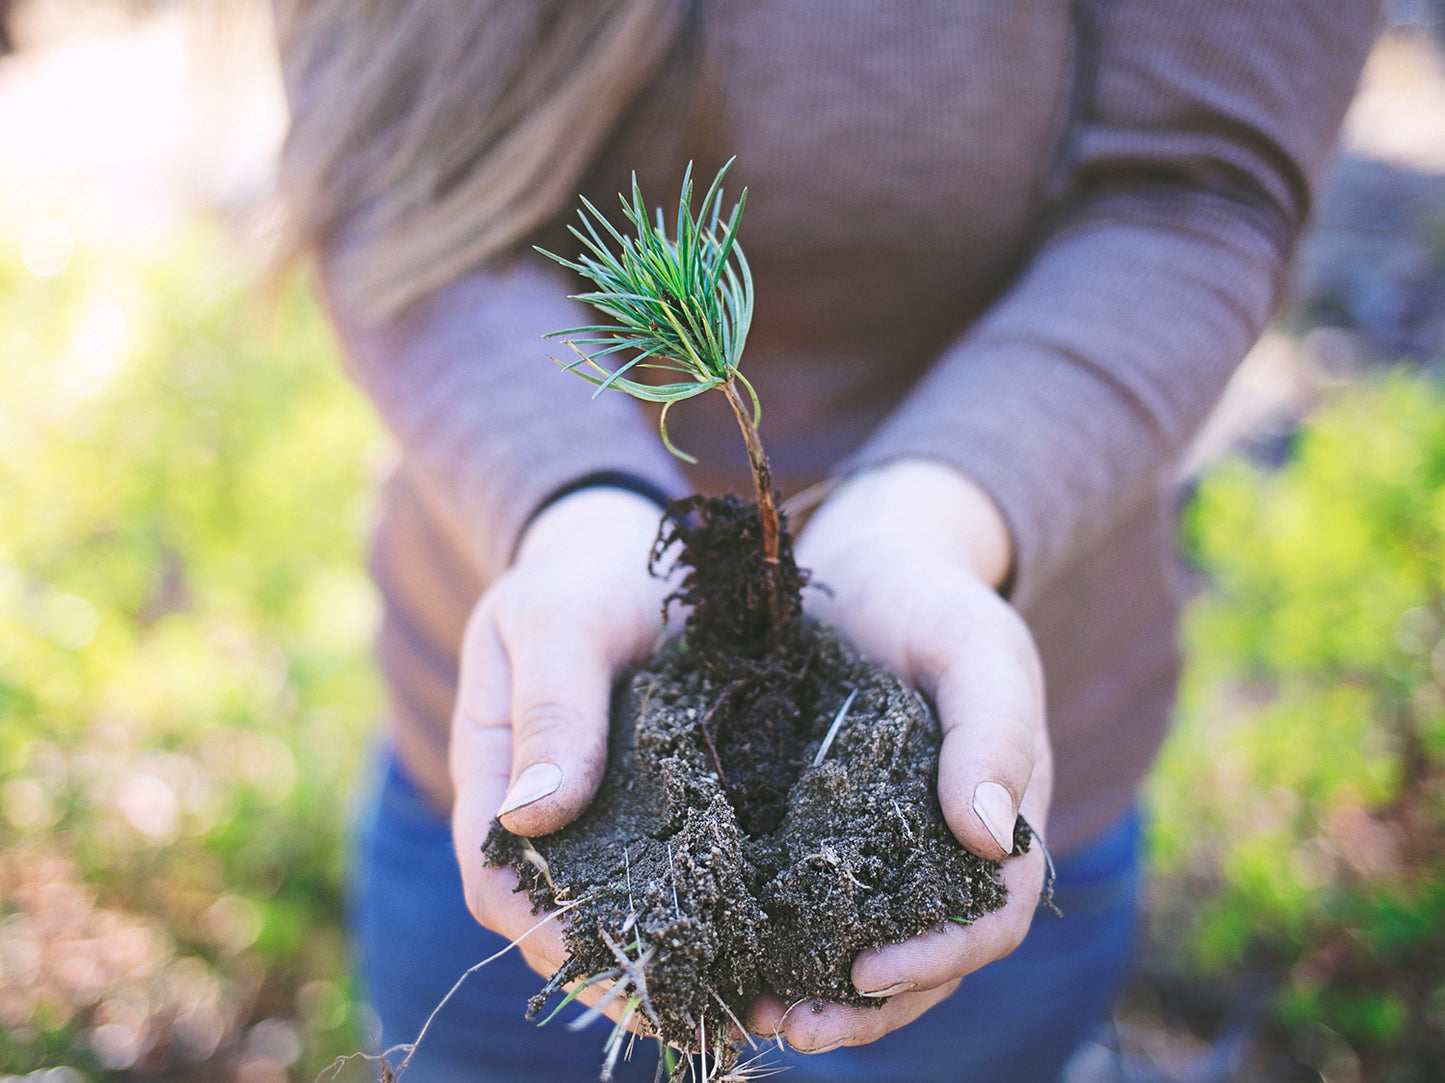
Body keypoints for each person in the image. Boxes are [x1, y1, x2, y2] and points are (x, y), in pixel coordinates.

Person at [272, 2, 1382, 1079]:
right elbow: (385, 179)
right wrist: (574, 507)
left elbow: (1194, 194)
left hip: (978, 722)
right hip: (504, 729)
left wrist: (929, 522)